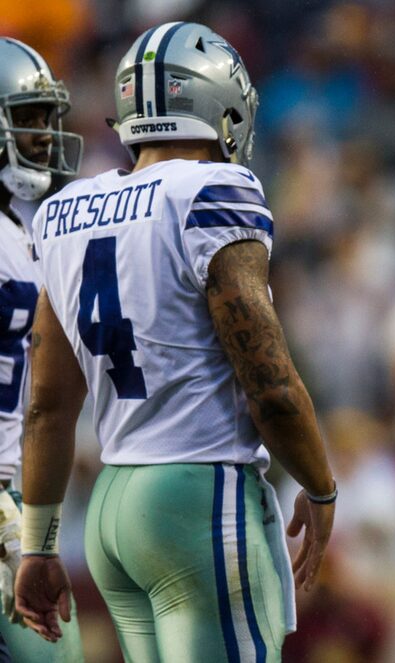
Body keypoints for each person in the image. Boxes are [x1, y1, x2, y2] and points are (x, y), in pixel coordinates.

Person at [14, 22, 337, 662]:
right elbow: (268, 382)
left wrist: (38, 544)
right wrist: (321, 487)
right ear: (223, 105)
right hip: (196, 494)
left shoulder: (63, 210)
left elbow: (48, 405)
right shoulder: (214, 189)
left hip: (113, 506)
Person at [0, 37, 85, 662]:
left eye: (47, 119)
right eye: (26, 119)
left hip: (28, 499)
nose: (45, 137)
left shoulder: (41, 227)